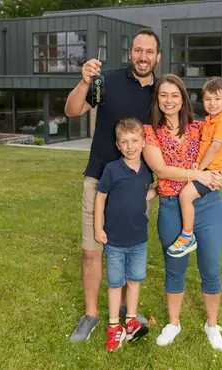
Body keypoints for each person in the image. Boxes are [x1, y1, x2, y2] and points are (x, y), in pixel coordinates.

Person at [64, 28, 161, 343]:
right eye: (138, 50)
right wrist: (84, 81)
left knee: (129, 249)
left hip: (137, 187)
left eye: (149, 51)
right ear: (130, 52)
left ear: (157, 57)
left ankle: (127, 314)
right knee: (92, 251)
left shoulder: (161, 93)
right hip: (100, 181)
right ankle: (92, 315)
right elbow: (72, 110)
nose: (143, 56)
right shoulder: (107, 80)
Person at [142, 74, 222, 351]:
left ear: (183, 99)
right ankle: (173, 323)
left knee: (211, 269)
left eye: (175, 95)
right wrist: (199, 174)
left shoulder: (200, 127)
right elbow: (161, 170)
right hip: (171, 206)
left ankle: (212, 325)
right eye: (163, 95)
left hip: (208, 207)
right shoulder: (150, 132)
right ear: (157, 99)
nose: (169, 101)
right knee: (174, 269)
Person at [94, 118, 157, 352]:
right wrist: (97, 228)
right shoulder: (112, 169)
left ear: (143, 142)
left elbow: (143, 195)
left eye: (134, 141)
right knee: (115, 283)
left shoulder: (146, 171)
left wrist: (159, 190)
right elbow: (101, 196)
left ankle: (131, 320)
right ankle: (114, 327)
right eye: (124, 142)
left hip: (138, 239)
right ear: (118, 146)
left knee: (134, 280)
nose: (130, 146)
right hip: (114, 240)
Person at [167, 77, 222, 258]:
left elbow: (215, 148)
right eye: (207, 99)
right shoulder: (208, 122)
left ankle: (187, 236)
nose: (212, 103)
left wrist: (200, 169)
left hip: (214, 172)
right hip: (209, 169)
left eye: (217, 99)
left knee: (186, 195)